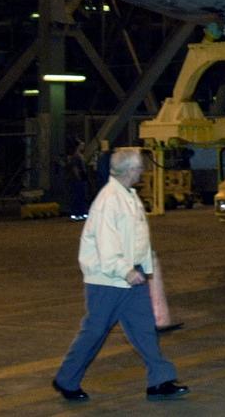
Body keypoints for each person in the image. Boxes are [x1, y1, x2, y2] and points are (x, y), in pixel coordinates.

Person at [52, 148, 189, 402]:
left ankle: (159, 380)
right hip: (109, 281)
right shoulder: (108, 201)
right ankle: (66, 380)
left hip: (130, 277)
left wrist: (142, 268)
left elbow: (135, 238)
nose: (142, 171)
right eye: (139, 167)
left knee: (144, 330)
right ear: (128, 171)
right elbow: (107, 245)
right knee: (94, 332)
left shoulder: (128, 195)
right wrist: (125, 271)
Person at [66, 142, 89, 220]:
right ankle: (77, 213)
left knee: (81, 196)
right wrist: (79, 177)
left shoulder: (78, 156)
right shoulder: (77, 157)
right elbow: (75, 168)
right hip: (79, 180)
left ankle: (80, 213)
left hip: (80, 179)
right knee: (78, 196)